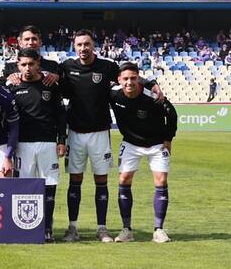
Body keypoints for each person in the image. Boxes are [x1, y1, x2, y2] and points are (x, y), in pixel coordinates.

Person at [59, 29, 161, 243]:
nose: (83, 48)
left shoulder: (107, 66)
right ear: (74, 46)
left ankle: (102, 228)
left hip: (100, 133)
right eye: (79, 45)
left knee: (101, 180)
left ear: (93, 45)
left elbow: (130, 76)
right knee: (75, 180)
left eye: (87, 44)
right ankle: (72, 228)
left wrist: (152, 84)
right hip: (75, 133)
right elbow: (50, 77)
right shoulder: (67, 66)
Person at [109, 63, 177, 243]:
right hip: (131, 144)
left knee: (161, 180)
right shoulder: (114, 95)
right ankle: (126, 230)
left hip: (156, 144)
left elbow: (172, 114)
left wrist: (168, 139)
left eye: (133, 78)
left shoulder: (153, 96)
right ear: (119, 80)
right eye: (125, 79)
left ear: (138, 79)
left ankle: (159, 230)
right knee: (123, 179)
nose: (129, 82)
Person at [8, 48, 67, 243]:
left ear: (38, 63)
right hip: (22, 145)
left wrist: (61, 141)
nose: (27, 68)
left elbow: (60, 115)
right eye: (23, 64)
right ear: (17, 65)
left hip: (47, 143)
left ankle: (46, 228)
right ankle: (22, 227)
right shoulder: (12, 85)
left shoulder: (50, 84)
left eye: (31, 64)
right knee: (23, 187)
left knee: (49, 185)